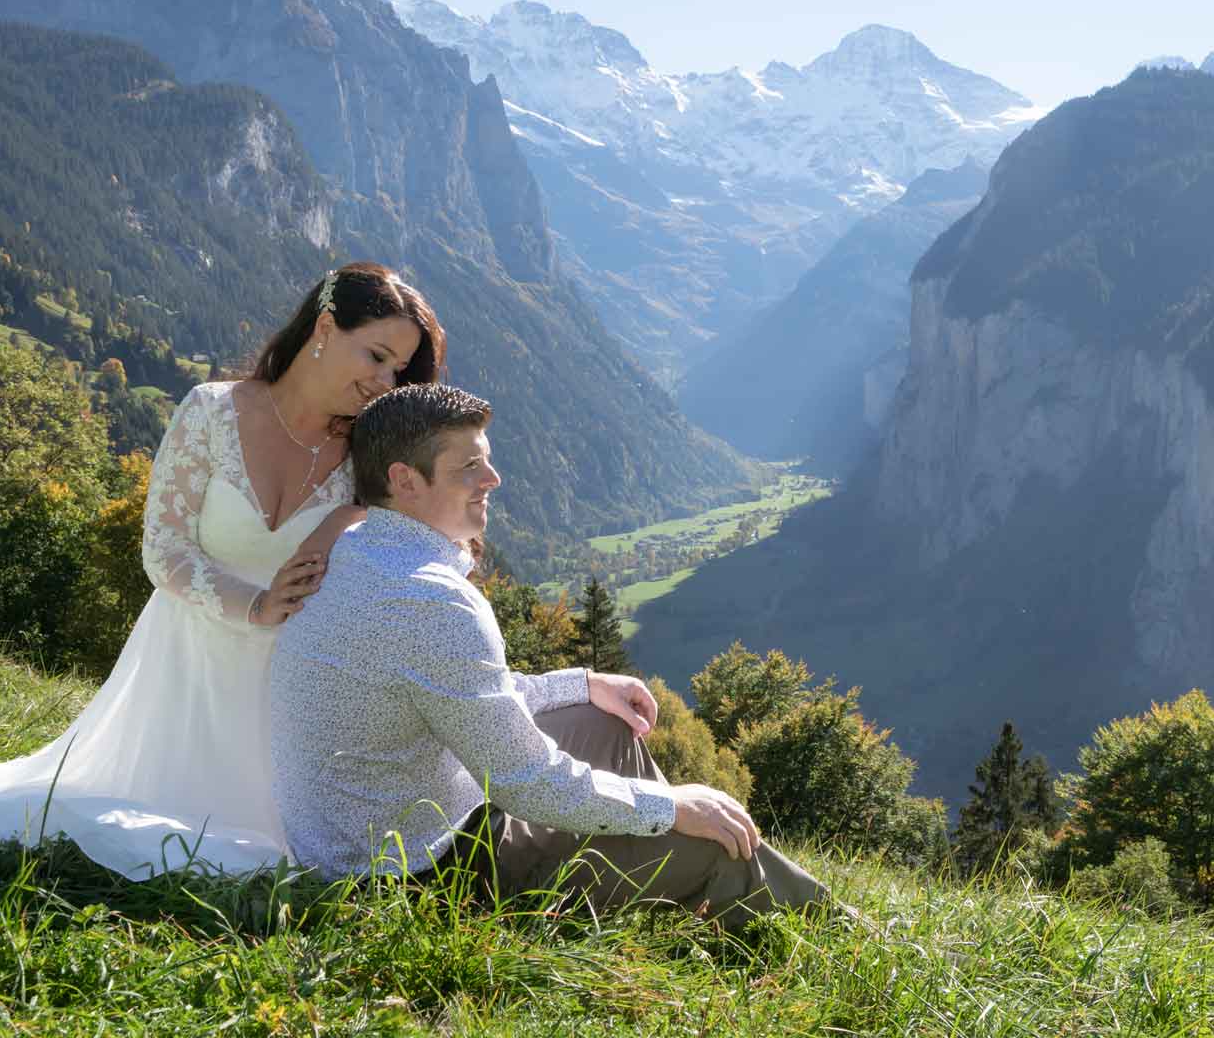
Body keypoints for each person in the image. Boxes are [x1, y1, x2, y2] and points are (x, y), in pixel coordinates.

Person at [0, 262, 445, 878]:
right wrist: (253, 604)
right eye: (378, 357)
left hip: (287, 695)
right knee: (112, 819)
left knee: (268, 852)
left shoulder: (368, 456)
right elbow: (164, 551)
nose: (385, 382)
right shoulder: (213, 411)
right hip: (182, 669)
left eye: (399, 371)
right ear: (326, 329)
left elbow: (413, 550)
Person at [270, 383, 829, 928]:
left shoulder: (356, 552)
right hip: (423, 876)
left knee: (603, 721)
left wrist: (583, 683)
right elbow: (524, 782)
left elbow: (468, 697)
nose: (493, 478)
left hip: (361, 841)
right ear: (404, 480)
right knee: (714, 848)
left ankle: (664, 885)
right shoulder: (429, 598)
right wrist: (672, 807)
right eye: (469, 467)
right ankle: (835, 937)